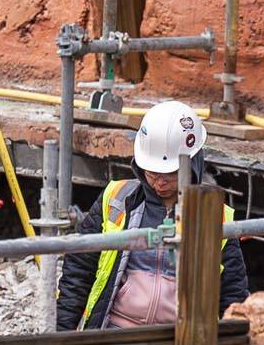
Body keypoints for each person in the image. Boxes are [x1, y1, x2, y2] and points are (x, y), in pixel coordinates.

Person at [54, 99, 250, 331]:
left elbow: (232, 292)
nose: (159, 181)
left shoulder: (216, 217)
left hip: (178, 341)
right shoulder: (116, 198)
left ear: (193, 163)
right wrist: (62, 334)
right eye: (152, 172)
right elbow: (78, 270)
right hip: (114, 330)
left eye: (169, 174)